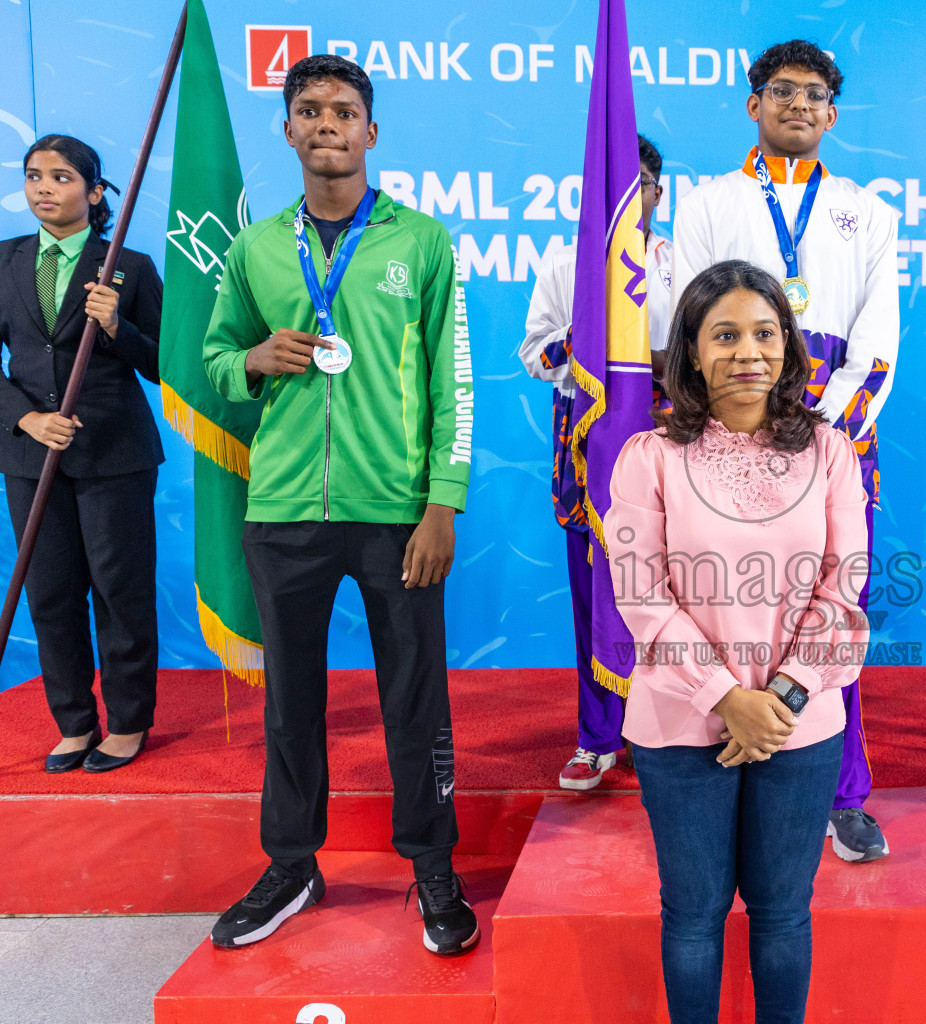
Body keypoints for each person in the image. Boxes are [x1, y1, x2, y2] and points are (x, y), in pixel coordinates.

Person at [202, 55, 478, 955]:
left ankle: (432, 867)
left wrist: (441, 502)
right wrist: (250, 360)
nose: (328, 123)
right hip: (283, 509)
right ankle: (292, 864)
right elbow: (210, 361)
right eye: (310, 109)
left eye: (346, 111)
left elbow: (454, 379)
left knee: (413, 696)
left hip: (397, 513)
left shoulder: (420, 241)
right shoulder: (252, 249)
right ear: (288, 130)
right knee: (291, 698)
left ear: (371, 132)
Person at [608, 259, 869, 1024]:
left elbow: (842, 584)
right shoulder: (648, 458)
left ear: (789, 348)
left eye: (765, 333)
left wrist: (777, 701)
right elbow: (642, 595)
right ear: (691, 351)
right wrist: (728, 699)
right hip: (681, 725)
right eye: (725, 335)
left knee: (784, 911)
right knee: (693, 914)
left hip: (800, 723)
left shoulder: (830, 452)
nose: (748, 351)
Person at [671, 39, 898, 863]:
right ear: (752, 104)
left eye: (814, 94)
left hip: (834, 429)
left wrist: (828, 424)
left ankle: (842, 793)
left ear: (832, 114)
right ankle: (717, 764)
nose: (797, 104)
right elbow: (691, 322)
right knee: (723, 605)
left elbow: (879, 332)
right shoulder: (706, 203)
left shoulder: (868, 211)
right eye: (780, 90)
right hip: (728, 424)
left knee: (830, 611)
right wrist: (737, 419)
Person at [0, 135, 161, 774]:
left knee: (120, 592)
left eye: (62, 177)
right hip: (30, 457)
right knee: (51, 592)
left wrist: (120, 327)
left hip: (115, 454)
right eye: (34, 176)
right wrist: (28, 419)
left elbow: (164, 362)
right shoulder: (5, 261)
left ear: (94, 194)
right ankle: (73, 722)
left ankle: (126, 723)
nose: (45, 188)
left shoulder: (129, 266)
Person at [520, 134, 673, 790]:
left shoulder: (685, 264)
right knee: (593, 606)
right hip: (588, 469)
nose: (623, 194)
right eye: (609, 182)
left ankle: (669, 734)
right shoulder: (563, 265)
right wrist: (596, 331)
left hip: (671, 467)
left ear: (657, 194)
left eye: (637, 182)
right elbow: (534, 354)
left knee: (676, 606)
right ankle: (597, 738)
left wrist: (663, 365)